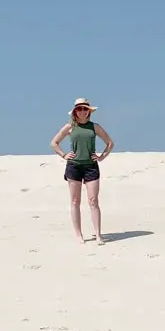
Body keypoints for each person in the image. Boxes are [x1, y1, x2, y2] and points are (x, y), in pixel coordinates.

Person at [50, 97, 115, 245]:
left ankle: (98, 235)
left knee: (93, 201)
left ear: (89, 111)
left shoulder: (95, 127)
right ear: (75, 112)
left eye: (85, 109)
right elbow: (54, 143)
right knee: (75, 201)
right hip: (74, 166)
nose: (82, 112)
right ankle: (79, 234)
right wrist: (64, 154)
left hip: (91, 166)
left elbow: (110, 143)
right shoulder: (69, 127)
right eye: (79, 109)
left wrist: (102, 157)